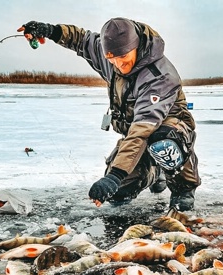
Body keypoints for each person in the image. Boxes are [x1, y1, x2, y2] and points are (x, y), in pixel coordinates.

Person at [18, 18, 201, 211]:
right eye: (111, 59)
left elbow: (142, 130)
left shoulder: (159, 76)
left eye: (123, 58)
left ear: (136, 46)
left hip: (167, 129)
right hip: (135, 133)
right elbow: (81, 40)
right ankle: (155, 172)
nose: (118, 64)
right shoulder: (112, 57)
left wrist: (116, 174)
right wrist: (49, 30)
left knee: (163, 142)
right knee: (117, 193)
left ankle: (183, 188)